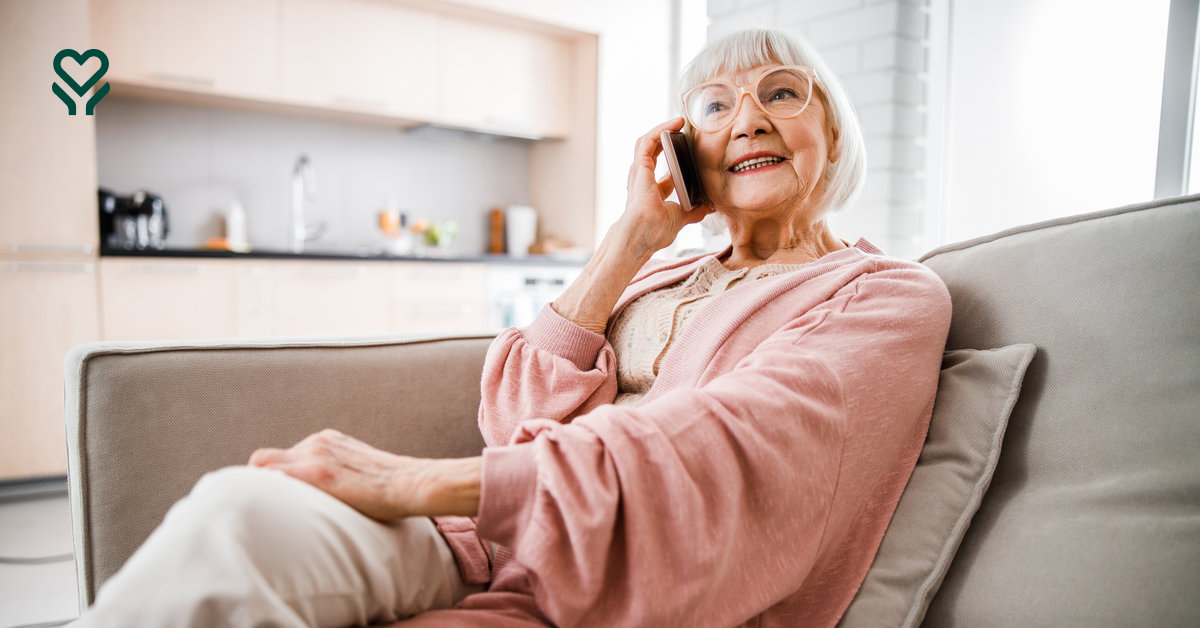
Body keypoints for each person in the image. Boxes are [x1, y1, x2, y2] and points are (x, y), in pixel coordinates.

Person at [73, 28, 951, 627]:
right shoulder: (664, 270)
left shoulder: (884, 297)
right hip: (489, 545)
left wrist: (411, 480)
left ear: (834, 136)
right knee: (235, 510)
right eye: (714, 106)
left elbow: (726, 451)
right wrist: (633, 237)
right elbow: (513, 416)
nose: (747, 118)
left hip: (618, 597)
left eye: (781, 94)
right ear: (689, 151)